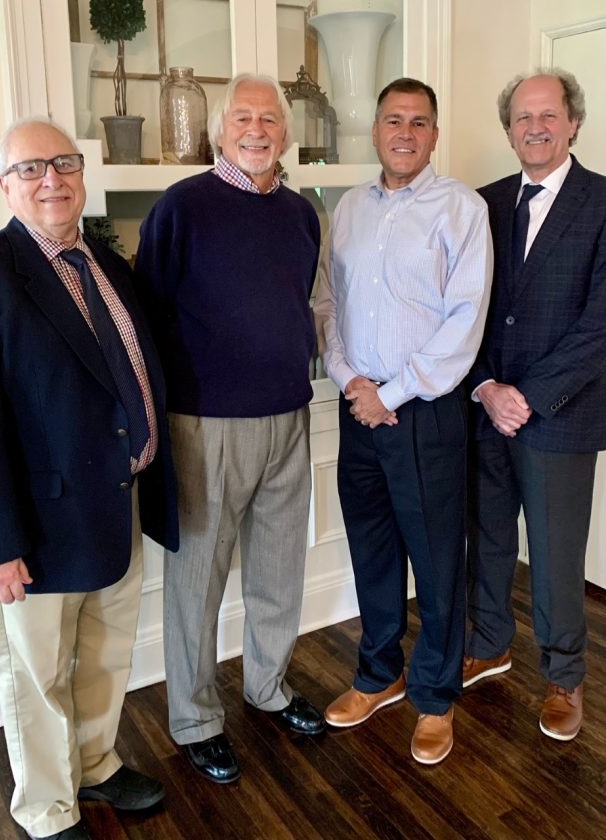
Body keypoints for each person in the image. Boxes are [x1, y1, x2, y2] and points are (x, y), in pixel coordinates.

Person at [0, 117, 179, 840]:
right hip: (35, 525)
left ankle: (94, 765)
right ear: (4, 185)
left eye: (63, 163)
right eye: (30, 169)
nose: (51, 180)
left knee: (103, 656)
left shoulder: (107, 266)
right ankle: (47, 809)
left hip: (117, 501)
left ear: (82, 172)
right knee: (37, 676)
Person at [134, 72, 325, 785]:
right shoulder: (181, 207)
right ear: (220, 130)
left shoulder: (302, 213)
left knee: (280, 569)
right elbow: (150, 316)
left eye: (268, 118)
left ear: (285, 132)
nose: (256, 129)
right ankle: (194, 719)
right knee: (197, 581)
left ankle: (268, 685)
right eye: (242, 117)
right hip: (206, 425)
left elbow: (300, 302)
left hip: (289, 416)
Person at [314, 77, 492, 765]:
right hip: (358, 407)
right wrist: (350, 380)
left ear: (435, 135)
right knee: (374, 548)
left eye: (419, 122)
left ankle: (435, 696)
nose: (406, 133)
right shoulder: (350, 209)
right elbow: (328, 305)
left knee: (437, 558)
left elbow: (464, 322)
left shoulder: (462, 210)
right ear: (376, 131)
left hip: (424, 413)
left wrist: (393, 392)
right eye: (394, 120)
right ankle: (378, 673)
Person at [464, 69, 606, 742]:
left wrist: (528, 396)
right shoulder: (484, 204)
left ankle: (563, 675)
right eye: (523, 117)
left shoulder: (602, 202)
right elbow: (465, 309)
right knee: (489, 537)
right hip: (487, 407)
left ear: (573, 122)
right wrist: (486, 387)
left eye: (549, 115)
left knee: (554, 554)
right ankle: (490, 644)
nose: (536, 127)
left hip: (561, 414)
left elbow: (600, 325)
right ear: (509, 129)